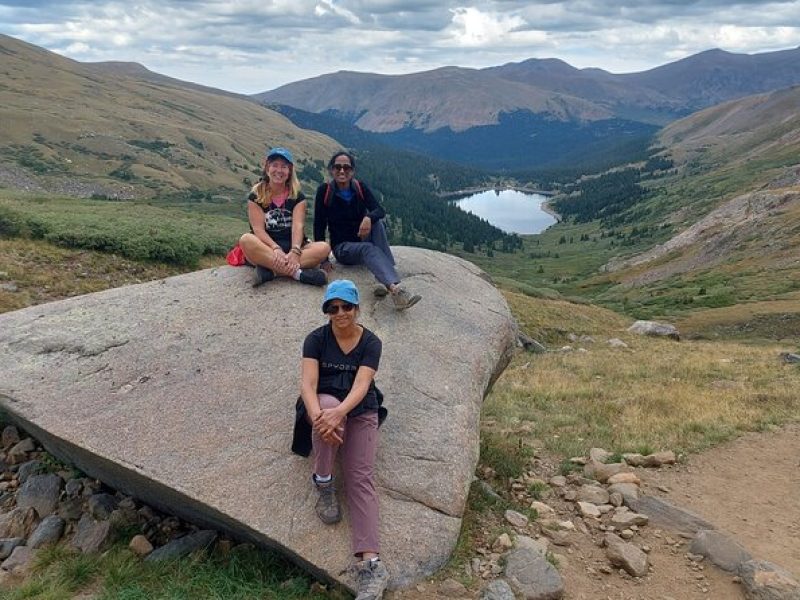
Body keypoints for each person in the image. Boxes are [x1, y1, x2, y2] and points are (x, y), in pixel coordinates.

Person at [294, 279, 390, 600]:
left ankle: (371, 564)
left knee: (360, 478)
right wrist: (320, 415)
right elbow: (308, 385)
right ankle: (323, 480)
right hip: (323, 404)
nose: (340, 313)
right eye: (333, 308)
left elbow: (363, 385)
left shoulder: (371, 343)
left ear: (356, 308)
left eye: (346, 306)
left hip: (360, 408)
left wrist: (340, 415)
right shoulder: (316, 339)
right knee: (327, 409)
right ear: (327, 311)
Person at [313, 151, 421, 310]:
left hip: (361, 239)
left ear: (353, 171)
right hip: (343, 249)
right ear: (331, 170)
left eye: (346, 167)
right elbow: (319, 225)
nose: (342, 171)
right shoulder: (325, 191)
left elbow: (379, 210)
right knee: (368, 247)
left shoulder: (359, 187)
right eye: (337, 167)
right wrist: (323, 259)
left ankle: (383, 278)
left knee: (377, 224)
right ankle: (395, 289)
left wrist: (368, 218)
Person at [239, 147, 330, 287]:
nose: (279, 171)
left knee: (324, 248)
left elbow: (298, 226)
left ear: (290, 170)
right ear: (267, 167)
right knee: (246, 240)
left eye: (284, 166)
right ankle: (298, 274)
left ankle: (271, 273)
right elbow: (258, 230)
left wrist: (295, 250)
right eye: (275, 165)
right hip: (267, 247)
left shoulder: (297, 196)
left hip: (291, 247)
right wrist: (275, 248)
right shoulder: (255, 196)